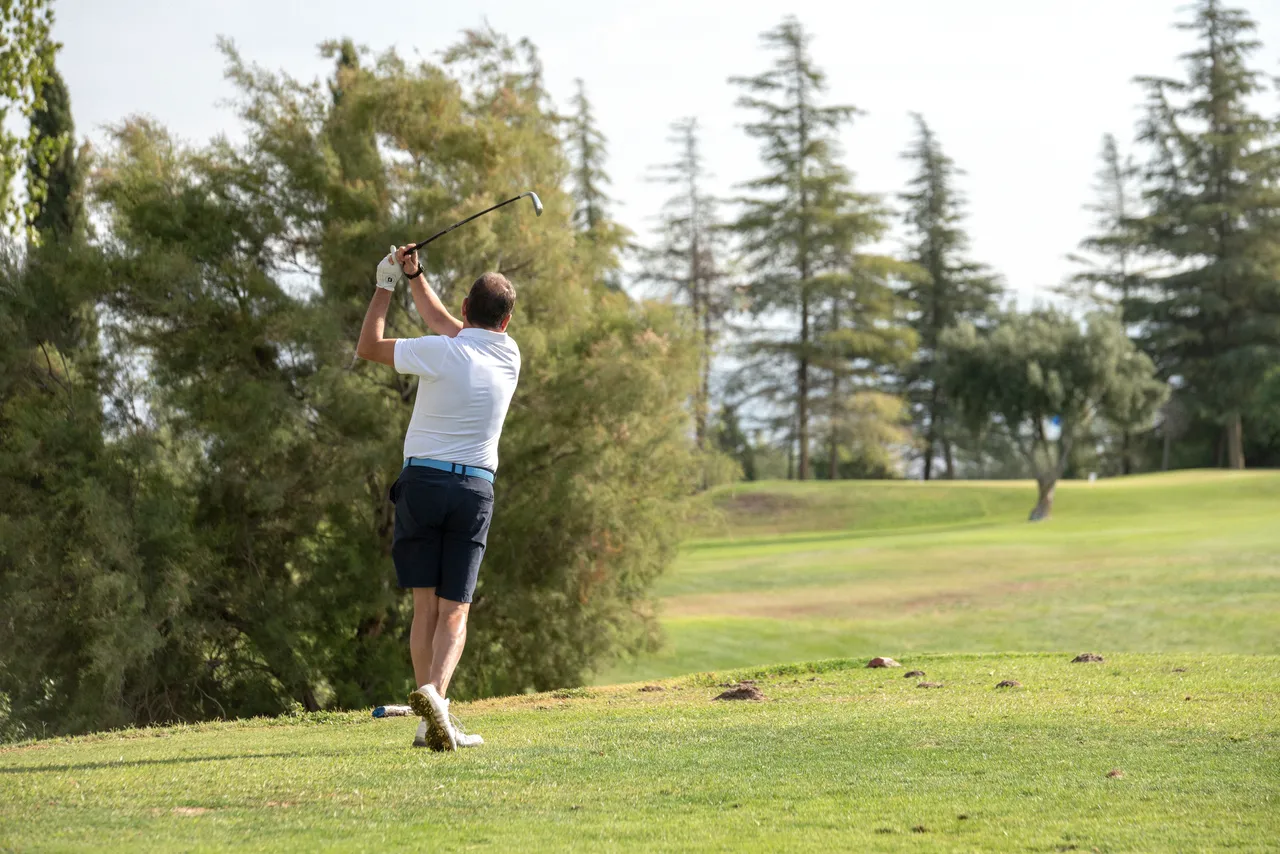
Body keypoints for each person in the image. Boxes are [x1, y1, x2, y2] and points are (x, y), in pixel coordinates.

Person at [355, 245, 521, 751]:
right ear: (507, 320)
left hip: (421, 485)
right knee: (456, 611)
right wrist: (415, 275)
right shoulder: (509, 354)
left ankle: (432, 718)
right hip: (473, 489)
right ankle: (435, 702)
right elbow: (453, 324)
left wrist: (387, 283)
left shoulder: (437, 349)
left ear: (467, 311)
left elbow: (369, 346)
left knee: (424, 607)